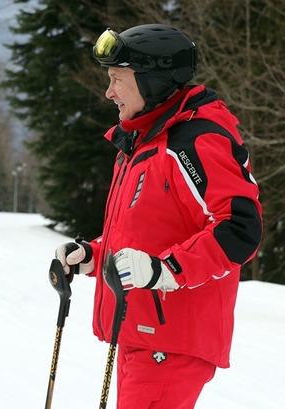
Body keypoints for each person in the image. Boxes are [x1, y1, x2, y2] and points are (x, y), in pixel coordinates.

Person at [55, 24, 262, 408]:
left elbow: (240, 229)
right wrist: (94, 257)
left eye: (118, 79)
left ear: (152, 81)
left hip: (170, 341)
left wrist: (166, 269)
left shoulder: (195, 140)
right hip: (143, 333)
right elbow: (147, 239)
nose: (109, 92)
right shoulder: (144, 143)